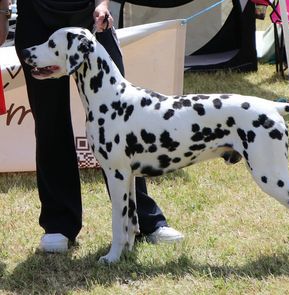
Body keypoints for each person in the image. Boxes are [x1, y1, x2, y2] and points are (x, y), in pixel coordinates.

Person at [0, 0, 183, 252]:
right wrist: (2, 13)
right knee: (49, 122)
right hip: (35, 16)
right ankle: (59, 224)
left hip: (91, 15)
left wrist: (103, 3)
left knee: (121, 121)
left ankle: (144, 219)